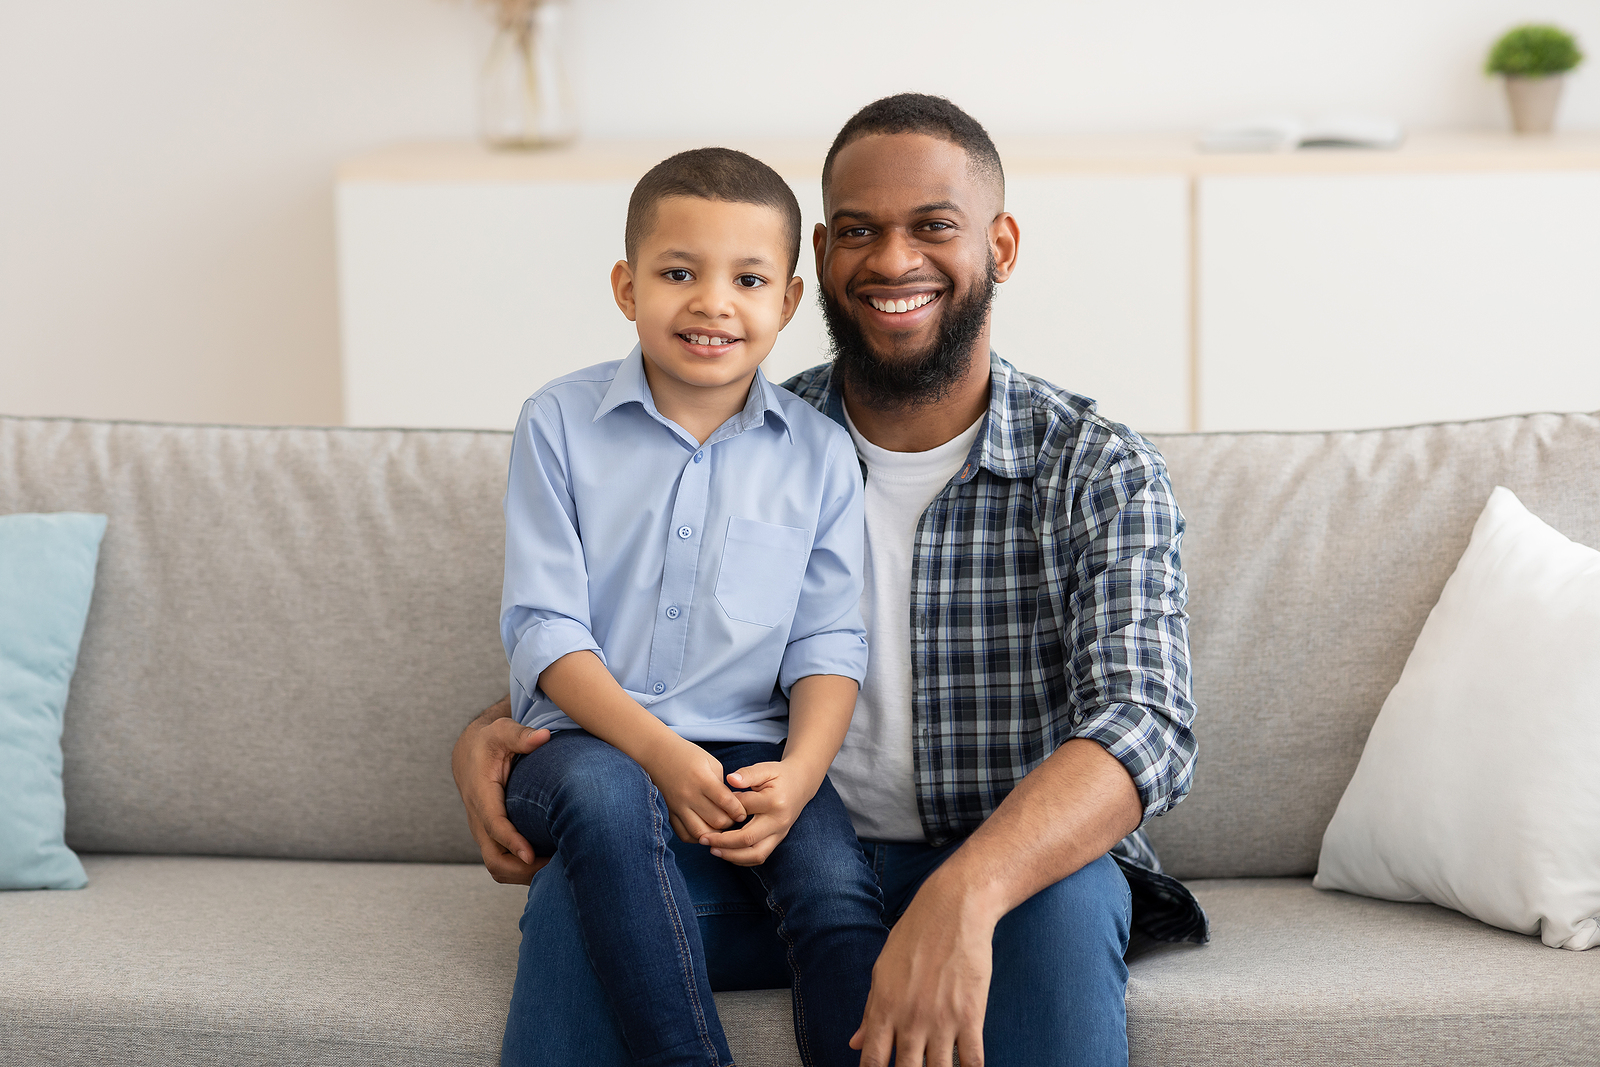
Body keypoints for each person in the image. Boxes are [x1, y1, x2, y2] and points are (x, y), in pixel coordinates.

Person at [455, 95, 1207, 1067]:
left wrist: (964, 890)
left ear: (1003, 244)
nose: (893, 260)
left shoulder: (1095, 466)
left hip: (1005, 866)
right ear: (818, 260)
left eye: (933, 226)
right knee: (575, 898)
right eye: (859, 231)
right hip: (765, 851)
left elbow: (1144, 721)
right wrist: (489, 729)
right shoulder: (737, 427)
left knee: (1067, 901)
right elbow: (639, 633)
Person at [497, 147, 888, 1067]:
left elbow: (830, 639)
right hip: (582, 747)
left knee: (836, 885)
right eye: (679, 273)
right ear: (627, 287)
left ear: (788, 303)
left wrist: (799, 771)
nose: (714, 302)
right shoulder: (557, 422)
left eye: (748, 278)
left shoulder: (822, 455)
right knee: (609, 800)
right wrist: (662, 753)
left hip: (754, 745)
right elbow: (545, 630)